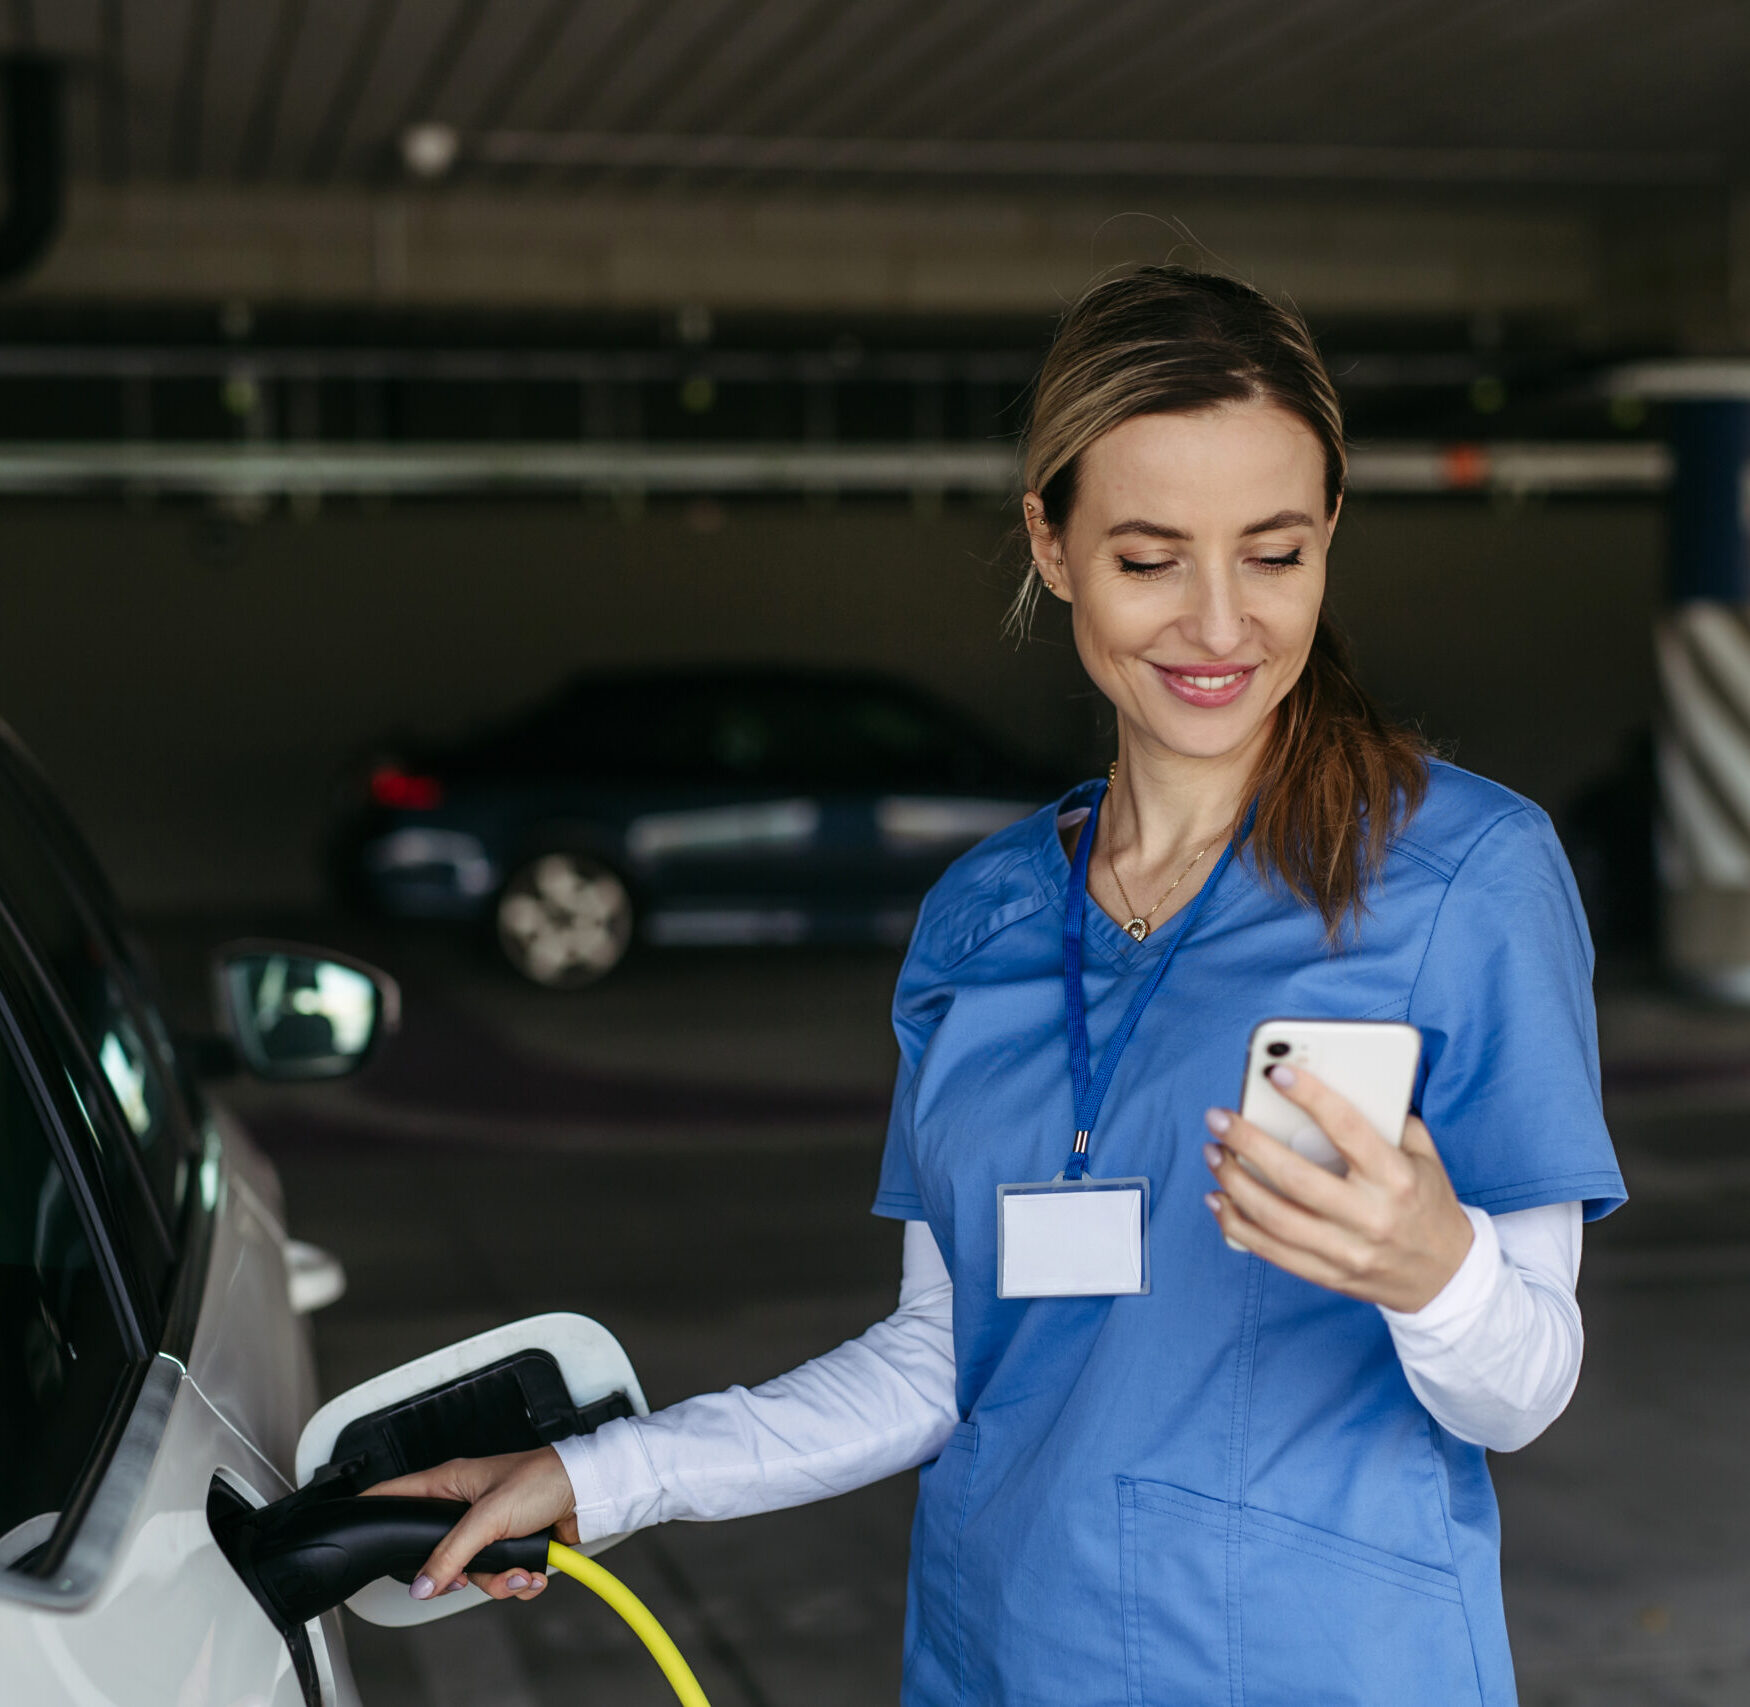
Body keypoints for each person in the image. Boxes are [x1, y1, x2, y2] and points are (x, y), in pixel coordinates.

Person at [372, 266, 1625, 1706]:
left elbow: (1521, 1389)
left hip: (1323, 1668)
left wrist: (1431, 1267)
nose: (1219, 626)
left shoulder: (1467, 874)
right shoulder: (982, 915)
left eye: (1272, 555)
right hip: (1000, 1661)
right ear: (1051, 542)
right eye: (1151, 557)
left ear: (1328, 534)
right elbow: (937, 1358)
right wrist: (598, 1477)